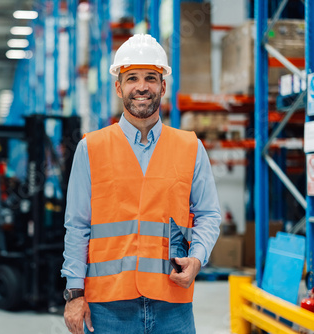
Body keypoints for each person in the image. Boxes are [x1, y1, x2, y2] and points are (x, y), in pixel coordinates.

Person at [61, 34, 221, 334]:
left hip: (172, 303)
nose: (142, 86)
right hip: (108, 307)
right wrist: (74, 293)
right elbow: (77, 226)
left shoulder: (190, 147)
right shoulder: (91, 148)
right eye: (132, 77)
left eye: (151, 77)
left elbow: (209, 214)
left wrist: (197, 258)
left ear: (163, 85)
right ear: (119, 86)